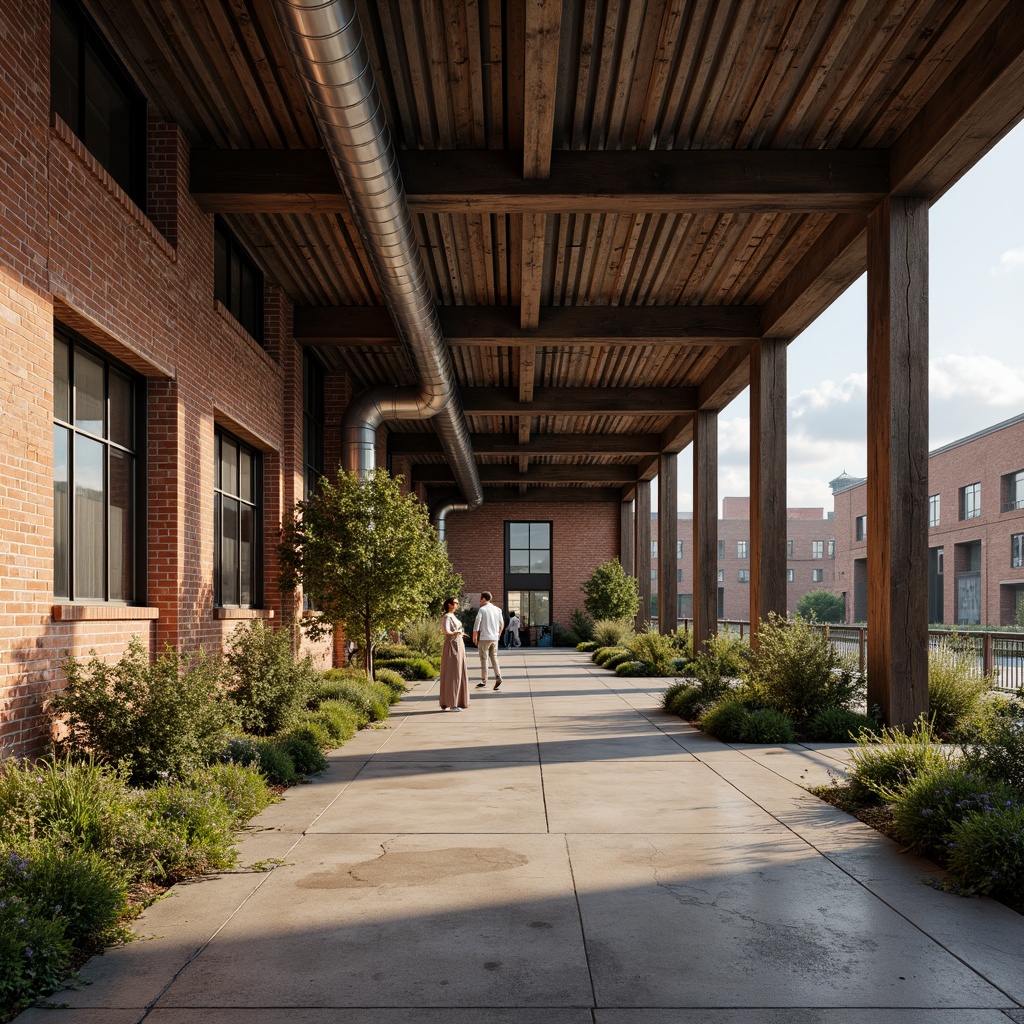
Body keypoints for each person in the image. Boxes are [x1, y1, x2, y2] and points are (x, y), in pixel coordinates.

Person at [439, 596, 469, 711]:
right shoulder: (447, 616)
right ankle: (452, 703)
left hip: (458, 643)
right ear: (450, 605)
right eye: (455, 603)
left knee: (459, 671)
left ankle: (457, 700)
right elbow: (446, 631)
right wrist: (457, 632)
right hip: (452, 644)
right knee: (453, 672)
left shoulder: (453, 616)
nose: (457, 604)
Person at [472, 591, 505, 690]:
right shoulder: (498, 610)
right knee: (494, 657)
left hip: (484, 637)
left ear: (483, 599)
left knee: (484, 659)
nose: (479, 601)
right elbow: (502, 623)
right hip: (494, 637)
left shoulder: (482, 610)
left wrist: (475, 635)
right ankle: (498, 676)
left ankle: (484, 680)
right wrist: (498, 634)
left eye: (480, 599)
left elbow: (477, 623)